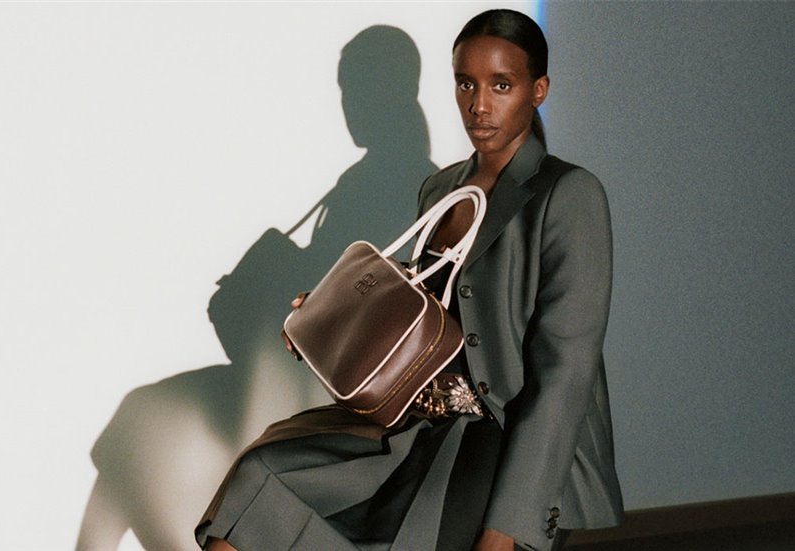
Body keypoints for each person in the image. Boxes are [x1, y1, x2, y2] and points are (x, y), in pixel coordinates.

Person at [196, 9, 623, 551]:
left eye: (501, 85)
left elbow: (565, 373)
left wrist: (508, 525)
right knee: (259, 478)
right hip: (418, 422)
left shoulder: (568, 194)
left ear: (538, 90)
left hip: (506, 439)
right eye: (465, 84)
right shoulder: (440, 189)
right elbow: (426, 315)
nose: (479, 105)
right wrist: (335, 316)